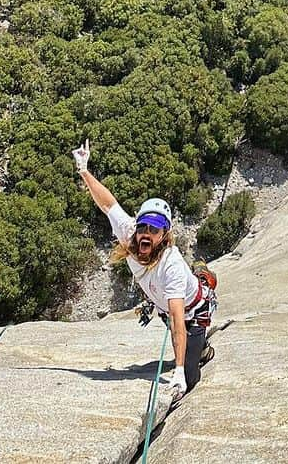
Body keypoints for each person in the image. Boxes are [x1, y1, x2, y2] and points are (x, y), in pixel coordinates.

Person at [72, 139, 216, 400]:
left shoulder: (170, 264)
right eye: (143, 227)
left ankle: (203, 347)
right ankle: (198, 292)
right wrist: (84, 170)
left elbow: (177, 319)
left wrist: (180, 371)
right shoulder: (129, 234)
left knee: (191, 379)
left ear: (165, 234)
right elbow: (107, 204)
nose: (146, 234)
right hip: (163, 305)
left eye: (154, 230)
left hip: (193, 311)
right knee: (179, 346)